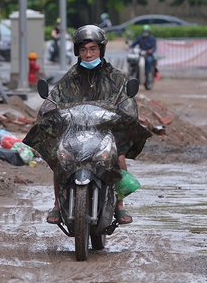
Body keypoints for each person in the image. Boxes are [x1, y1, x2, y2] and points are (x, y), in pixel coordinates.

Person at [23, 25, 151, 225]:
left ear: (101, 50)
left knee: (121, 158)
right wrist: (48, 110)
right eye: (83, 50)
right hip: (74, 132)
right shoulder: (70, 78)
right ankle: (57, 204)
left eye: (93, 49)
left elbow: (126, 100)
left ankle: (119, 205)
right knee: (59, 159)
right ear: (77, 52)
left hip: (105, 132)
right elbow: (54, 99)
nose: (88, 54)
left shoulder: (115, 77)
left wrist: (125, 114)